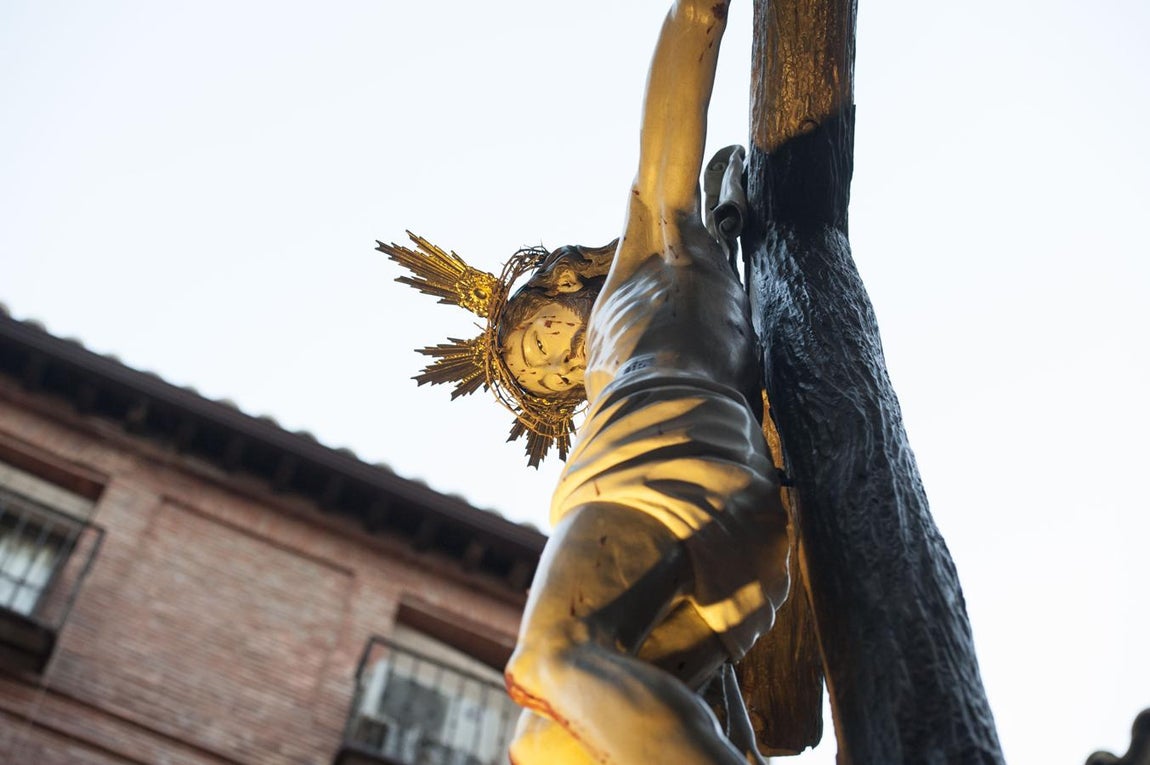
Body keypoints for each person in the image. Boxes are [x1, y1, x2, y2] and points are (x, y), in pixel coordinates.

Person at [381, 1, 788, 762]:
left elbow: (690, 40)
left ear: (560, 280)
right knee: (550, 743)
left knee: (548, 655)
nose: (564, 367)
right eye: (551, 377)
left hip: (656, 472)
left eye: (541, 340)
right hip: (718, 527)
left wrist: (695, 15)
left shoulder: (657, 247)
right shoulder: (636, 341)